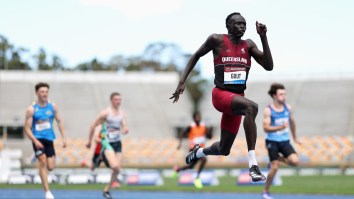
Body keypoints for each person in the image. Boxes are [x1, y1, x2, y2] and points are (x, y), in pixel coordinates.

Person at [170, 12, 273, 182]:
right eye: (238, 23)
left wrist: (263, 38)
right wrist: (182, 81)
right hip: (221, 95)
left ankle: (198, 152)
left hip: (237, 99)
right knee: (252, 107)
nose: (242, 26)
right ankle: (253, 165)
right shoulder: (216, 40)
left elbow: (268, 66)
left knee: (224, 149)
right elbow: (196, 55)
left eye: (244, 24)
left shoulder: (248, 45)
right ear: (228, 26)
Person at [24, 82, 67, 199]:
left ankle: (36, 156)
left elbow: (59, 121)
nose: (45, 94)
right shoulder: (31, 109)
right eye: (42, 92)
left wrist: (64, 138)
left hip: (49, 139)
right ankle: (47, 192)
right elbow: (27, 128)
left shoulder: (52, 106)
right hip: (37, 139)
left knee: (51, 167)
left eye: (46, 92)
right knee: (42, 161)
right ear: (37, 93)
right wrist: (35, 140)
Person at [86, 92, 128, 199]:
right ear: (111, 101)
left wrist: (125, 129)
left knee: (117, 169)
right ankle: (102, 157)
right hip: (107, 142)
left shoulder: (122, 113)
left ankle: (106, 190)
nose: (118, 102)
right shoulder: (105, 113)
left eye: (120, 100)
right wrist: (89, 141)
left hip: (117, 143)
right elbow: (92, 125)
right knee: (114, 166)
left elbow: (123, 125)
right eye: (116, 100)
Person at [262, 83, 300, 199]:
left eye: (285, 94)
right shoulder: (268, 110)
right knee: (275, 167)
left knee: (295, 162)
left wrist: (295, 138)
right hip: (272, 141)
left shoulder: (288, 108)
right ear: (274, 96)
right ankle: (266, 191)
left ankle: (276, 158)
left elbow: (292, 123)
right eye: (281, 94)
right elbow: (266, 128)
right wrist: (280, 127)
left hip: (284, 141)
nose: (284, 96)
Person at [174, 111, 211, 189]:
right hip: (193, 148)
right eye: (196, 117)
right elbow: (183, 133)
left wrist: (210, 130)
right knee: (204, 160)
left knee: (191, 166)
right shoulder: (191, 126)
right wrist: (180, 143)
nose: (198, 118)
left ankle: (177, 169)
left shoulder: (204, 126)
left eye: (199, 116)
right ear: (194, 118)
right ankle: (197, 178)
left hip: (201, 149)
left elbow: (209, 136)